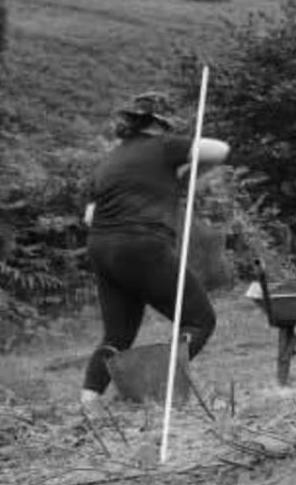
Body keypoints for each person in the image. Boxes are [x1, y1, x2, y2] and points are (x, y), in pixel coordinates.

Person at [80, 92, 230, 409]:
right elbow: (219, 150)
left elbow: (89, 217)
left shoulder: (109, 161)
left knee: (117, 336)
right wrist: (189, 175)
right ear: (163, 123)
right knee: (199, 320)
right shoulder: (165, 146)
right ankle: (158, 390)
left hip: (102, 249)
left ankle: (88, 405)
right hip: (142, 245)